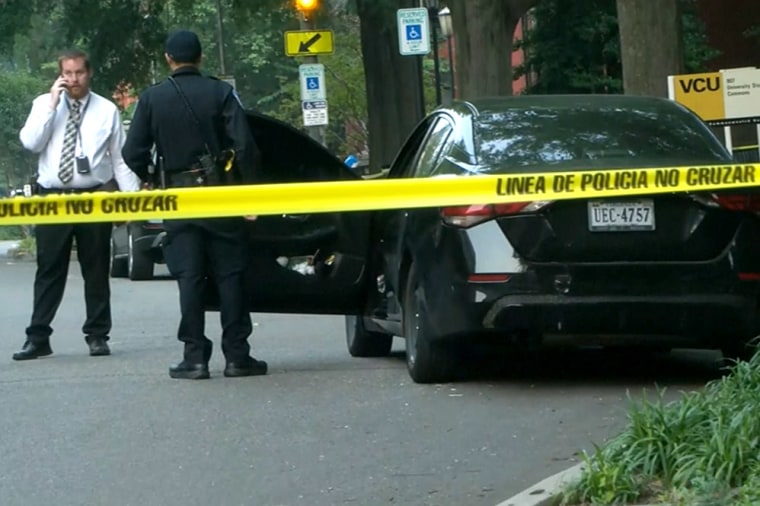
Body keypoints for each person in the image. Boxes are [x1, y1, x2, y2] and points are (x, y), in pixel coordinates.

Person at [122, 29, 266, 380]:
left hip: (179, 199)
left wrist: (153, 176)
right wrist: (250, 193)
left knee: (189, 277)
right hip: (221, 197)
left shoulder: (152, 98)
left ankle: (195, 357)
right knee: (230, 275)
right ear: (200, 58)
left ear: (168, 60)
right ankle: (237, 356)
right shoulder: (221, 92)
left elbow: (131, 151)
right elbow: (245, 147)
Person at [15, 49, 142, 361]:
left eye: (78, 73)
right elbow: (30, 142)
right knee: (49, 269)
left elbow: (120, 159)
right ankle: (38, 336)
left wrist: (131, 202)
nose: (73, 80)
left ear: (89, 73)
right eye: (67, 74)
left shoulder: (106, 110)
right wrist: (51, 105)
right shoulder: (44, 105)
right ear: (60, 75)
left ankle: (97, 335)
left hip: (93, 197)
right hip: (53, 198)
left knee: (96, 268)